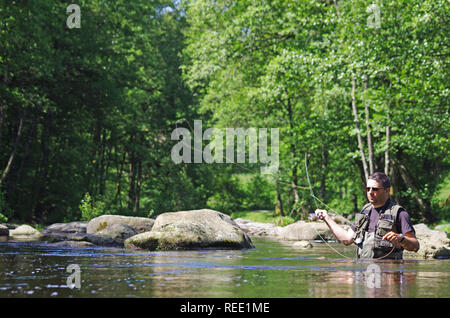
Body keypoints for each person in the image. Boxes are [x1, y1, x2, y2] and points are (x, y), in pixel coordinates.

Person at [316, 172, 420, 259]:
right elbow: (347, 239)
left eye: (375, 189)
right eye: (368, 189)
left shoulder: (399, 213)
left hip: (388, 275)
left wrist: (401, 238)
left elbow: (415, 246)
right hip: (364, 274)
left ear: (387, 191)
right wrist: (326, 218)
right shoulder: (365, 211)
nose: (370, 192)